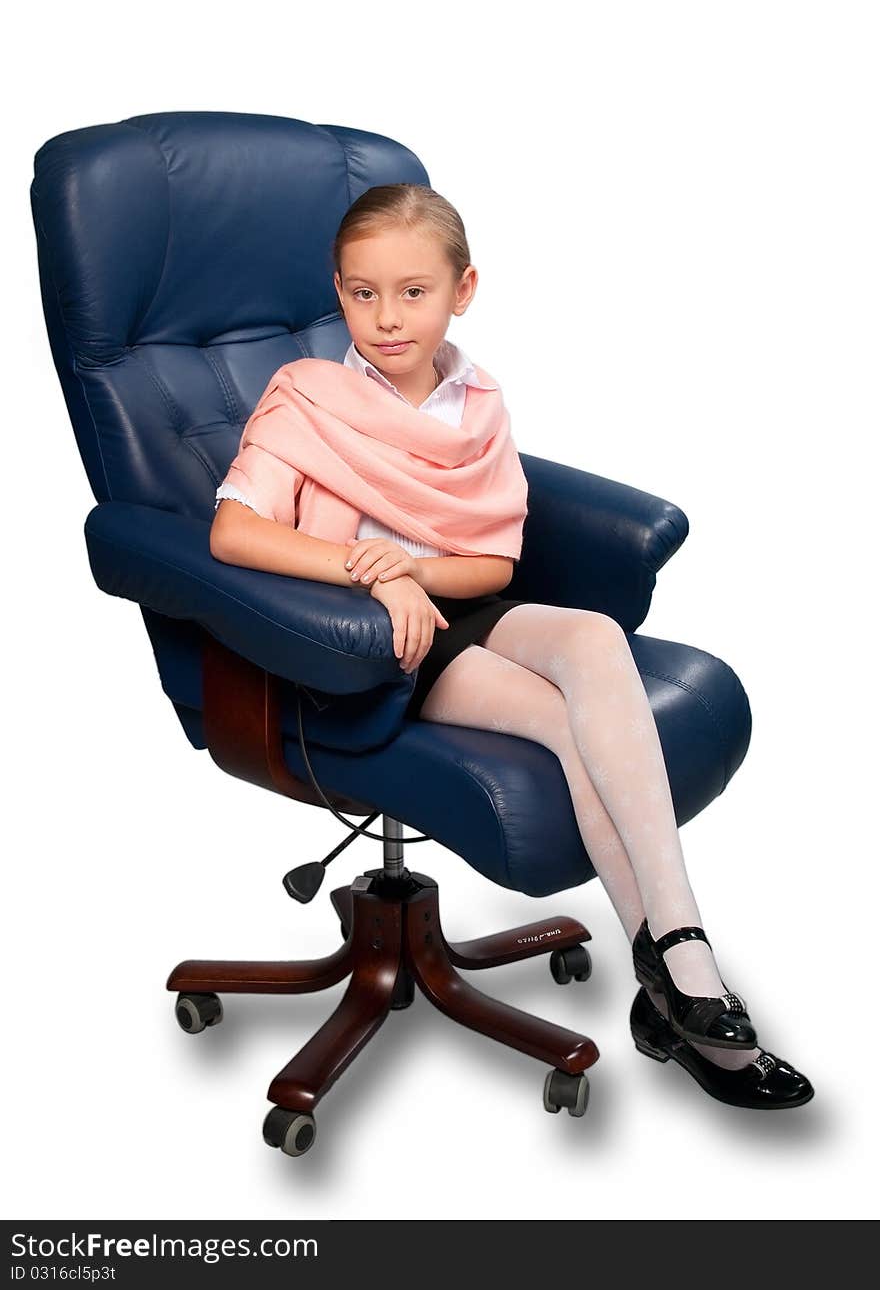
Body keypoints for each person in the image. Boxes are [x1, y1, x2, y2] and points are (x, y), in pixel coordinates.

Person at [212, 183, 813, 1112]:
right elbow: (234, 534)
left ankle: (676, 948)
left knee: (594, 636)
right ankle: (684, 990)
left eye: (414, 291)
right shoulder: (309, 396)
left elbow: (488, 561)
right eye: (363, 293)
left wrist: (420, 572)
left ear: (464, 289)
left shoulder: (477, 399)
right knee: (566, 729)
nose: (386, 316)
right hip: (369, 643)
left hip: (457, 602)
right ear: (338, 292)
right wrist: (373, 572)